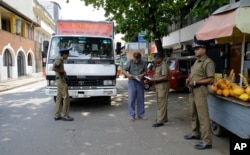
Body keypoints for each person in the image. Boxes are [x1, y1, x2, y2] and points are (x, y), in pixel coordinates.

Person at [184, 39, 215, 150]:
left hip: (201, 91)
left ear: (204, 49)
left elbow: (211, 80)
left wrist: (196, 82)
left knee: (203, 117)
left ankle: (207, 141)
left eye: (197, 49)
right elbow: (194, 75)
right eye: (195, 49)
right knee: (193, 113)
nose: (195, 51)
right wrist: (189, 80)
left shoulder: (208, 62)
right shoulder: (197, 61)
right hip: (192, 90)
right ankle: (195, 133)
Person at [123, 52, 148, 122]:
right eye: (135, 60)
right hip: (132, 81)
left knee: (140, 98)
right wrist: (128, 75)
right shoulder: (130, 62)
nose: (136, 61)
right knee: (131, 99)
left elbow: (146, 71)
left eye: (138, 60)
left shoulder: (143, 62)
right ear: (133, 58)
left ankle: (141, 114)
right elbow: (124, 70)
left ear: (140, 58)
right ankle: (132, 115)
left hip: (140, 81)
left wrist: (142, 75)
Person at [148, 53, 170, 127]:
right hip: (158, 85)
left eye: (155, 59)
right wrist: (151, 78)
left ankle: (160, 120)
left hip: (163, 85)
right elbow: (158, 75)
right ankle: (164, 117)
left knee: (162, 102)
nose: (154, 60)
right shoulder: (158, 66)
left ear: (159, 59)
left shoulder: (164, 66)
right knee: (160, 102)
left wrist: (154, 79)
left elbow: (165, 77)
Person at [53, 48, 74, 121]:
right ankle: (65, 115)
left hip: (59, 80)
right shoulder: (60, 59)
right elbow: (54, 68)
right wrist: (63, 71)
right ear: (64, 54)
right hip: (61, 81)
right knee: (66, 98)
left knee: (59, 98)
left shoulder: (60, 59)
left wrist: (64, 74)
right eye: (67, 55)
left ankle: (57, 115)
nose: (67, 56)